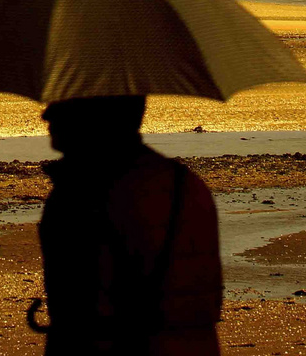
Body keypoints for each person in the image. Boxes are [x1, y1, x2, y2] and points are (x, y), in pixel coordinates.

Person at [32, 95, 222, 355]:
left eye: (62, 103)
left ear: (94, 117)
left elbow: (80, 313)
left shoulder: (83, 195)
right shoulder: (187, 184)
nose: (47, 115)